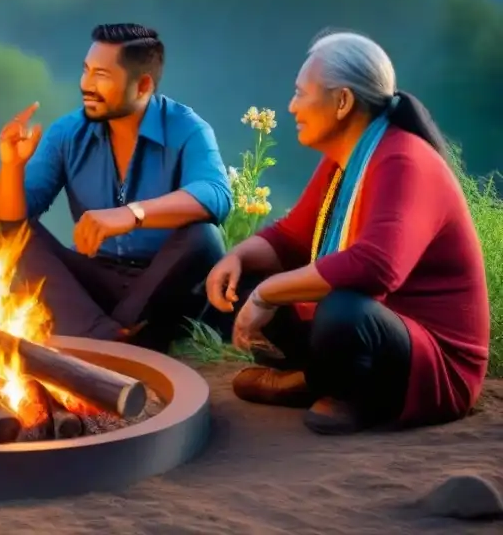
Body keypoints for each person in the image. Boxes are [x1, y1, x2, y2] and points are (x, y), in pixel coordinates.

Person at [205, 31, 490, 435]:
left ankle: (343, 395)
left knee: (341, 309)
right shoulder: (345, 159)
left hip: (432, 367)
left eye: (301, 94)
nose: (291, 106)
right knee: (244, 280)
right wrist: (236, 259)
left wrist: (268, 293)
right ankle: (314, 379)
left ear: (342, 102)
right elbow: (289, 239)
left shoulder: (404, 159)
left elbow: (376, 268)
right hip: (372, 336)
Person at [0, 23, 233, 351]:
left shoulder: (188, 128)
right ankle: (107, 337)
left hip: (161, 285)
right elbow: (9, 222)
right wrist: (11, 166)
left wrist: (132, 214)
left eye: (101, 75)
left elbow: (216, 195)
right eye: (86, 71)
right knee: (16, 235)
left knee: (203, 237)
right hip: (91, 283)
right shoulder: (68, 133)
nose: (86, 85)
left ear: (143, 85)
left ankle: (102, 336)